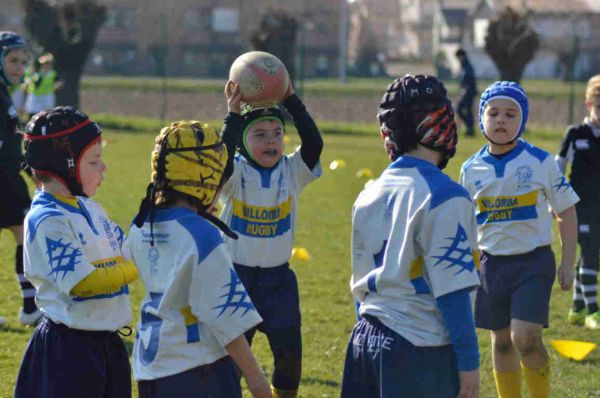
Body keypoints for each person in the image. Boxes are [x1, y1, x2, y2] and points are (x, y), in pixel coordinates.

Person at [341, 74, 481, 398]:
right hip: (419, 349)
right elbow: (453, 292)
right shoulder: (446, 195)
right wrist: (470, 364)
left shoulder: (367, 194)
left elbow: (359, 288)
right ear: (437, 123)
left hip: (363, 339)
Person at [128, 82, 271, 398]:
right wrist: (258, 382)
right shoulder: (203, 236)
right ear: (204, 176)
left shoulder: (140, 225)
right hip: (197, 370)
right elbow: (228, 322)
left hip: (150, 368)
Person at [460, 81, 579, 398]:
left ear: (522, 120)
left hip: (533, 262)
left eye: (511, 114)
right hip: (490, 264)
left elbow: (567, 210)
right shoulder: (470, 169)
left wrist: (568, 263)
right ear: (481, 117)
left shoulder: (542, 162)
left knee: (525, 338)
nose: (501, 120)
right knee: (500, 341)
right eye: (493, 112)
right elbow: (466, 226)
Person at [14, 106, 139, 397]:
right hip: (68, 352)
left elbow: (130, 249)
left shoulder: (91, 208)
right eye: (95, 161)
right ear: (66, 164)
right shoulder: (47, 220)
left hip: (109, 345)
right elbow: (85, 283)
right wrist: (137, 267)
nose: (104, 168)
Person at [218, 81, 323, 397]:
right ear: (243, 143)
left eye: (276, 133)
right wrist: (233, 117)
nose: (270, 141)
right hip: (237, 279)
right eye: (259, 134)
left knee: (290, 354)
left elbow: (314, 145)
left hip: (279, 280)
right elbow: (221, 159)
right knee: (232, 360)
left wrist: (291, 100)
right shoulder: (235, 173)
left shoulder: (291, 171)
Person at [0, 31, 41, 328]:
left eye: (23, 62)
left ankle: (30, 307)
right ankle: (30, 307)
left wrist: (30, 170)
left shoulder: (5, 95)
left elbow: (12, 143)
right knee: (26, 235)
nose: (19, 68)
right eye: (13, 60)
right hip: (3, 178)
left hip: (9, 177)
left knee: (25, 235)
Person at [556, 74, 600, 330]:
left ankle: (577, 307)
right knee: (591, 252)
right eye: (599, 104)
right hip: (579, 207)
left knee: (591, 253)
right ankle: (594, 312)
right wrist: (555, 201)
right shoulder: (574, 134)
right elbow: (557, 169)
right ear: (588, 104)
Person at [24, 53, 59, 120]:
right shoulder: (36, 74)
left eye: (48, 63)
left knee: (48, 114)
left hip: (47, 96)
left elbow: (59, 82)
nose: (47, 65)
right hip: (35, 96)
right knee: (33, 114)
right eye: (45, 64)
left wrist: (54, 87)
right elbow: (32, 83)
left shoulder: (53, 74)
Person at [455, 48, 477, 137]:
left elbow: (469, 81)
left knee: (460, 110)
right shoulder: (464, 65)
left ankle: (470, 128)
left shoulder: (467, 66)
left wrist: (464, 91)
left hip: (468, 92)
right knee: (467, 110)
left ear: (461, 56)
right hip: (467, 92)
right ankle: (470, 129)